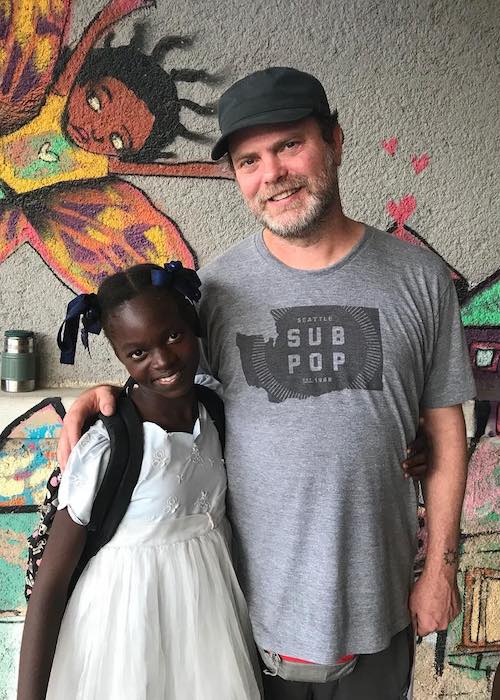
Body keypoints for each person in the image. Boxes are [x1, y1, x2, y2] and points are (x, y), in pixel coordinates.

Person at [57, 68, 476, 699]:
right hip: (245, 620)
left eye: (288, 145)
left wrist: (440, 569)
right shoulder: (216, 290)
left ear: (333, 140)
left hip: (379, 608)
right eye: (249, 160)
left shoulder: (418, 278)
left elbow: (445, 423)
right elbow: (173, 393)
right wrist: (103, 398)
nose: (271, 173)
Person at [18, 263, 262, 700]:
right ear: (119, 356)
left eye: (173, 336)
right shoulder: (108, 446)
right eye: (138, 353)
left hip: (209, 626)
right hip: (123, 633)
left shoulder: (216, 411)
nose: (163, 360)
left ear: (193, 325)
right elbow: (51, 582)